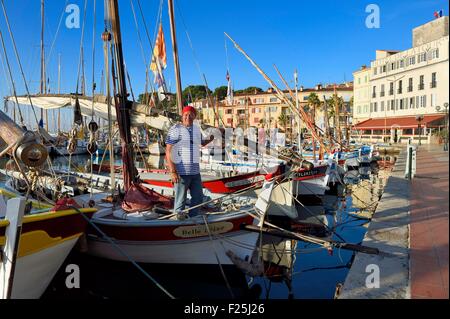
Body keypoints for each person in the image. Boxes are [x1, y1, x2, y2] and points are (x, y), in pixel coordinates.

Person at [165, 106, 214, 219]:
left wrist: (212, 136)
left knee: (198, 198)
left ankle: (193, 219)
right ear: (182, 116)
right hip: (181, 173)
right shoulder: (175, 129)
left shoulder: (196, 129)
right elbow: (169, 151)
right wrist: (173, 171)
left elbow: (201, 142)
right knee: (180, 201)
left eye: (190, 114)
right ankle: (177, 222)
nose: (188, 117)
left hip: (195, 172)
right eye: (186, 114)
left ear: (194, 116)